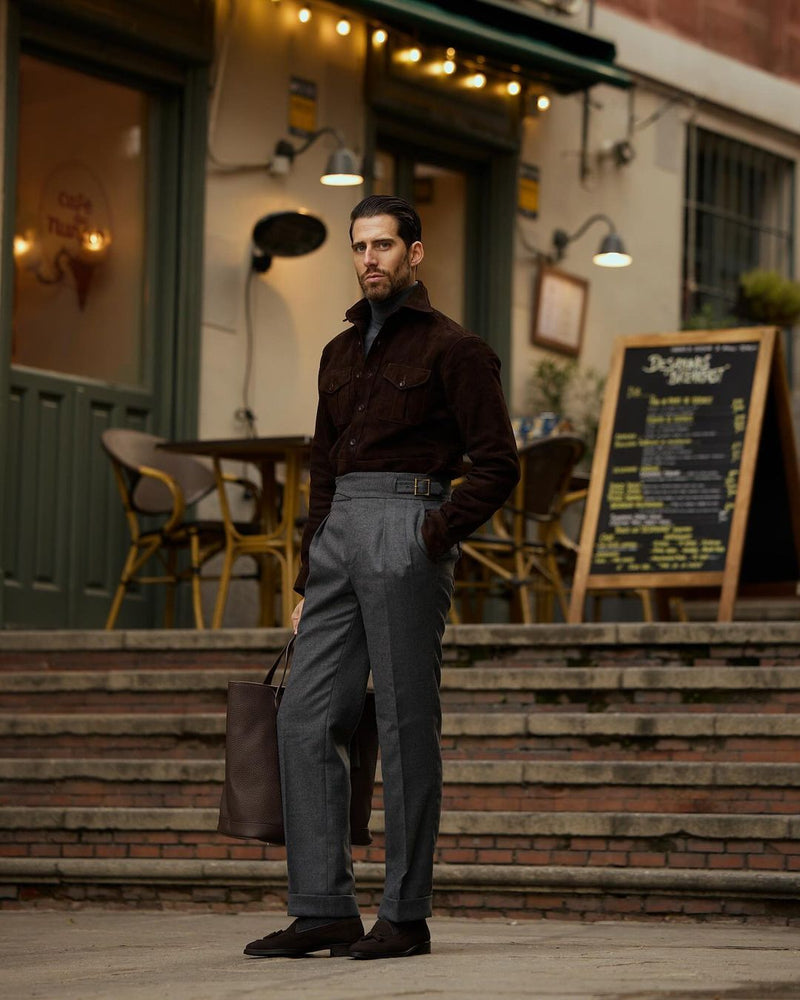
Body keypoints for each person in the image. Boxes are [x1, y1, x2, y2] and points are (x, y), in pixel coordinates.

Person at [244, 194, 520, 961]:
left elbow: (499, 464)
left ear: (414, 254)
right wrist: (308, 574)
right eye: (360, 247)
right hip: (337, 540)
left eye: (384, 246)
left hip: (408, 528)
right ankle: (324, 908)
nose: (370, 259)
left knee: (401, 724)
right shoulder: (337, 353)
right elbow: (323, 466)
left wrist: (431, 534)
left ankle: (405, 914)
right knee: (304, 718)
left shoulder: (455, 350)